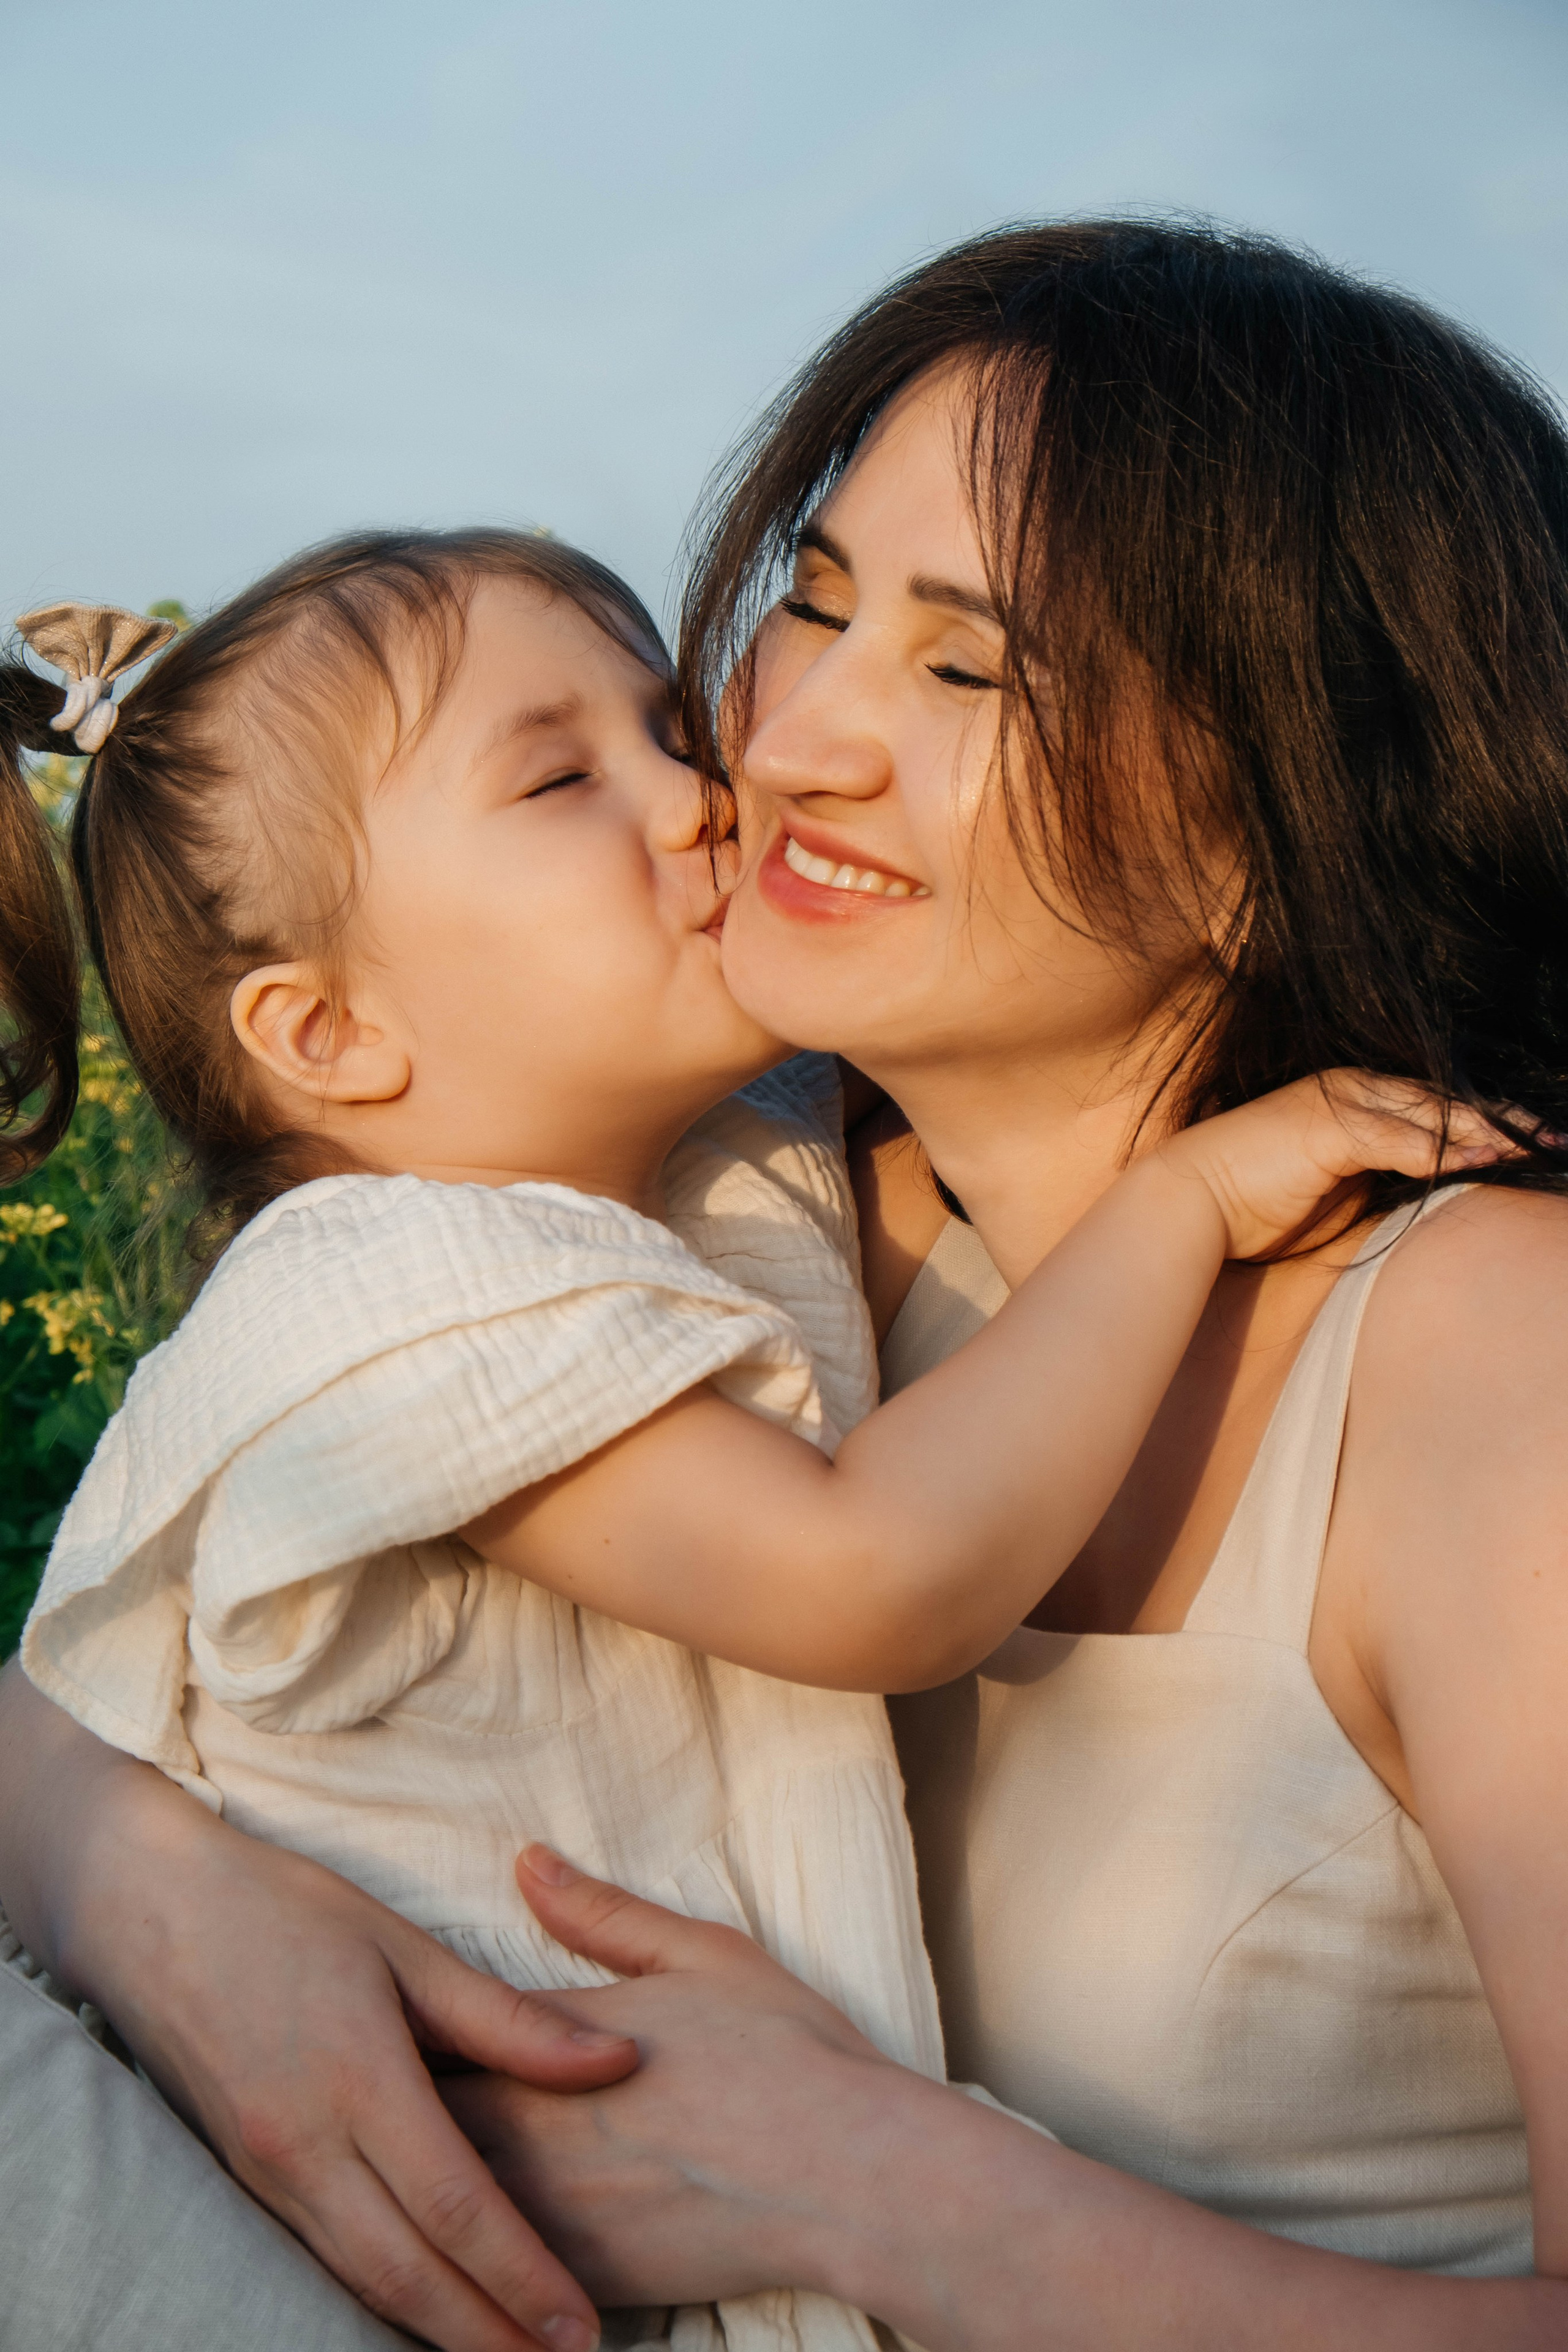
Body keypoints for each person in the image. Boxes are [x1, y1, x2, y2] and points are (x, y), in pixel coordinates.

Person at [6, 214, 1568, 2349]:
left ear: (1288, 814)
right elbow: (120, 1632)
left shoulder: (1490, 1348)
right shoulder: (756, 1207)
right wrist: (150, 1893)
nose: (788, 742)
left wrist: (872, 2188)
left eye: (968, 669)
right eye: (812, 605)